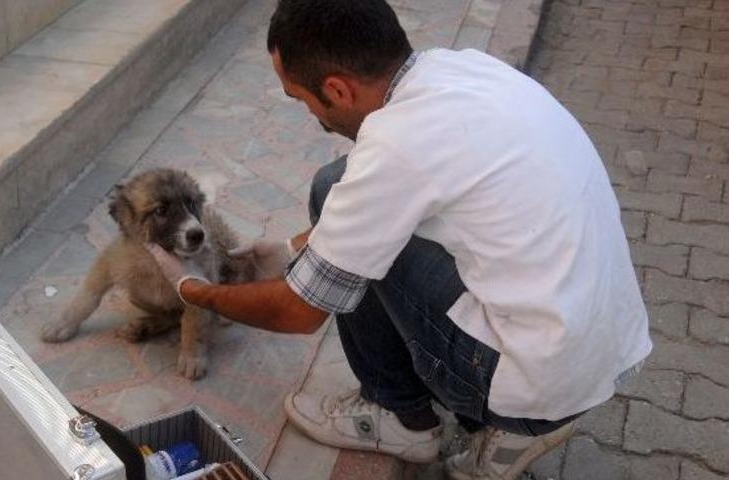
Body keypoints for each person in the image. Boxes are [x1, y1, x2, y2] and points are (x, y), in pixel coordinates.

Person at [147, 0, 653, 478]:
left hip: (539, 375)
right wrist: (292, 250)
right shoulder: (464, 68)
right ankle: (521, 412)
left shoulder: (396, 145)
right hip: (598, 344)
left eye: (302, 100)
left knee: (335, 190)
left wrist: (192, 290)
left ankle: (400, 418)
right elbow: (396, 200)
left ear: (339, 90)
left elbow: (299, 312)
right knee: (342, 189)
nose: (313, 118)